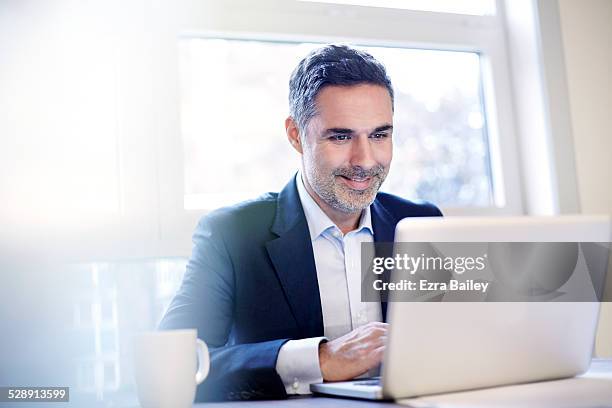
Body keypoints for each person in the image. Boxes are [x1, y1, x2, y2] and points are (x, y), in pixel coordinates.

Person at [158, 44, 442, 401]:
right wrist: (318, 360)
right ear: (295, 135)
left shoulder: (419, 222)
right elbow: (173, 364)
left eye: (379, 135)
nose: (365, 160)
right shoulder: (232, 235)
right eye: (340, 136)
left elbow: (465, 341)